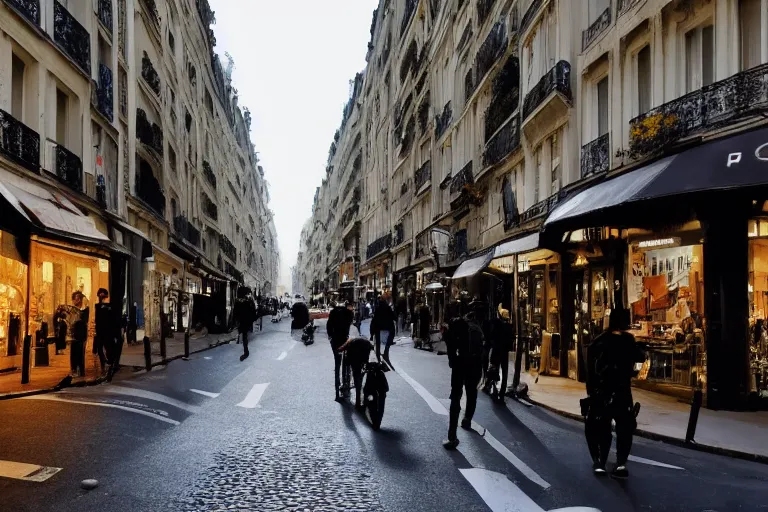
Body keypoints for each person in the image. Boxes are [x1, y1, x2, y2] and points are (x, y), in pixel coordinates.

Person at [584, 308, 645, 478]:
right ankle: (620, 463)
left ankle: (600, 462)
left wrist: (591, 390)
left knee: (602, 426)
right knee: (624, 428)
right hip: (622, 389)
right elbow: (639, 358)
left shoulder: (599, 341)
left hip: (603, 390)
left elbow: (589, 369)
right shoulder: (628, 340)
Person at [442, 302, 485, 450]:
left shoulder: (456, 325)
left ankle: (452, 436)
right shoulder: (477, 329)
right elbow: (482, 350)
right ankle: (467, 419)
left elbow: (449, 344)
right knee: (471, 392)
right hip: (474, 364)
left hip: (459, 364)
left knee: (455, 396)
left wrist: (452, 360)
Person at [336, 335, 374, 409]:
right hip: (365, 353)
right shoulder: (367, 342)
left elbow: (341, 349)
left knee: (356, 375)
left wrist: (338, 350)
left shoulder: (350, 341)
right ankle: (361, 400)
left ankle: (358, 403)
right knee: (363, 373)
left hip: (354, 354)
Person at [327, 300, 355, 401]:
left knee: (337, 363)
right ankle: (345, 381)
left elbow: (329, 326)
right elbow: (350, 325)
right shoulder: (349, 313)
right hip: (345, 340)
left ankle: (337, 387)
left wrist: (330, 337)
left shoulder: (333, 312)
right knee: (347, 361)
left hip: (335, 340)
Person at [370, 297, 395, 367]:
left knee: (378, 345)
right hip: (388, 329)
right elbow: (394, 317)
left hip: (378, 329)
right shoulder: (388, 308)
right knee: (387, 343)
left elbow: (374, 321)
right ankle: (386, 353)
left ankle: (378, 358)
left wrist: (371, 334)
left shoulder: (377, 309)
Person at [233, 288, 257, 361]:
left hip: (241, 321)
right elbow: (253, 312)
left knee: (243, 335)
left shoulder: (237, 302)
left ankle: (245, 350)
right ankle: (246, 351)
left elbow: (235, 313)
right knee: (245, 335)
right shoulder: (248, 302)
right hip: (246, 321)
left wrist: (236, 320)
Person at [93, 288, 113, 373]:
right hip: (103, 330)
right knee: (101, 348)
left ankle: (106, 362)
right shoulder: (102, 306)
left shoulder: (102, 306)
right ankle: (105, 363)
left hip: (104, 330)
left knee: (104, 348)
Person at [71, 291, 89, 377]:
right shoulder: (72, 310)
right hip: (74, 334)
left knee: (80, 353)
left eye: (77, 298)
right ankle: (74, 369)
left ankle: (81, 371)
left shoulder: (84, 310)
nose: (76, 300)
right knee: (73, 352)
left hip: (81, 334)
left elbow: (84, 320)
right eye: (75, 299)